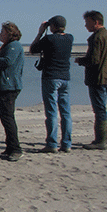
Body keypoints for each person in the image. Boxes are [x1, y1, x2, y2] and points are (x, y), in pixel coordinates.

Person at [76, 10, 107, 150]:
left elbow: (94, 60)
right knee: (101, 107)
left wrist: (81, 60)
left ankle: (101, 140)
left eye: (87, 22)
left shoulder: (96, 38)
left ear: (96, 22)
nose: (85, 25)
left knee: (99, 109)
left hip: (98, 77)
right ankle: (101, 139)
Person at [29, 15, 73, 153]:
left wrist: (41, 32)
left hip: (51, 77)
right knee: (65, 112)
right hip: (65, 77)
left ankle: (52, 143)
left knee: (52, 112)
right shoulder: (69, 38)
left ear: (52, 26)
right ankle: (66, 143)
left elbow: (33, 49)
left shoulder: (49, 39)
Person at [0, 21, 25, 162]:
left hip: (9, 86)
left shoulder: (14, 46)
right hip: (4, 86)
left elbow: (7, 61)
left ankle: (15, 149)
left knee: (8, 118)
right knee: (5, 118)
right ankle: (10, 148)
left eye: (2, 32)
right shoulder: (8, 46)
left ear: (9, 33)